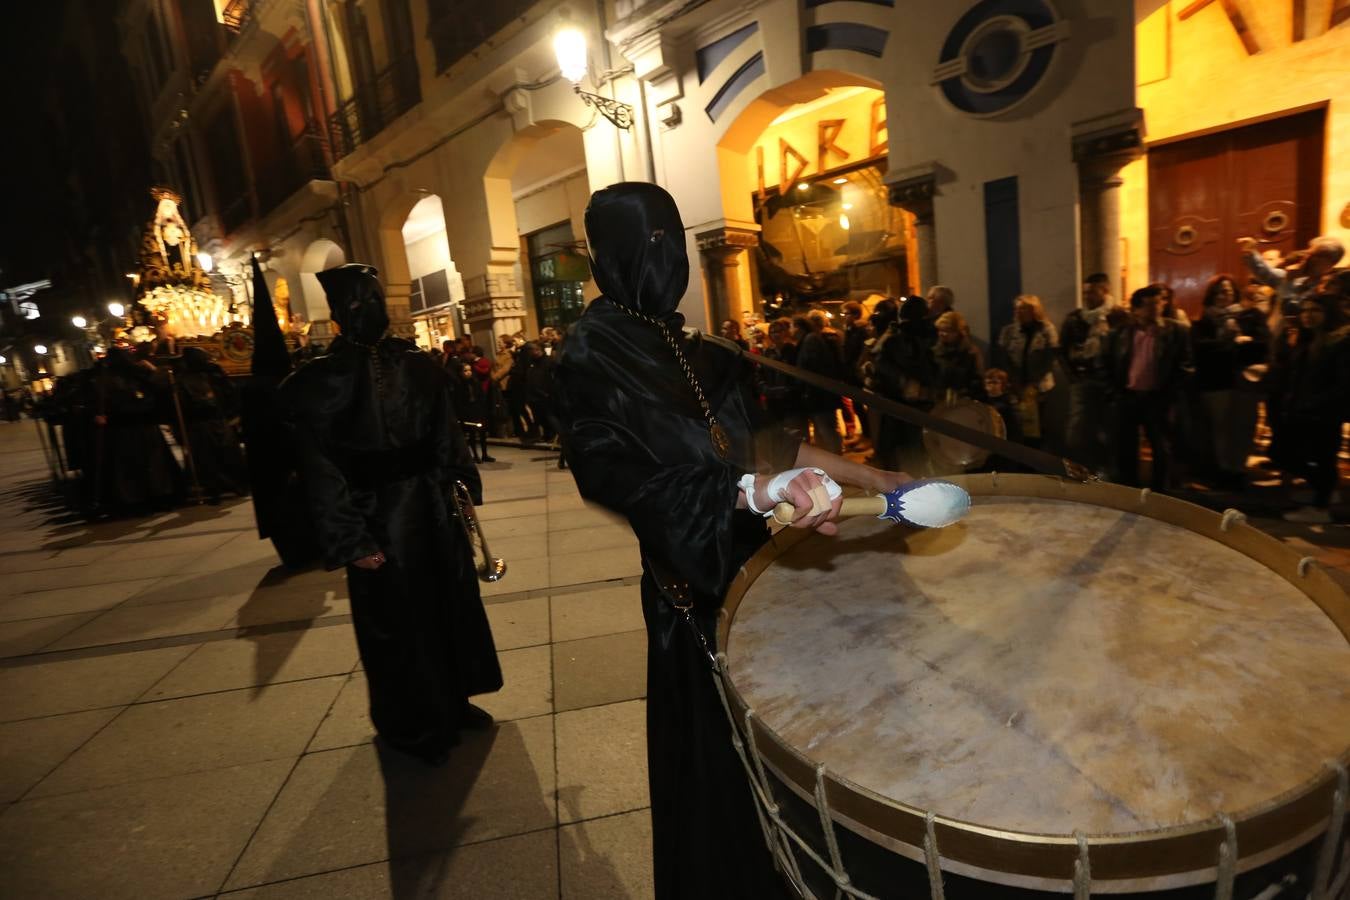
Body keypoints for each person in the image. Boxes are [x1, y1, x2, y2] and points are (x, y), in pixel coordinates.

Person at [554, 182, 906, 900]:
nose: (668, 258)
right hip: (694, 603)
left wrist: (874, 478)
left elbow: (772, 448)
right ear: (611, 255)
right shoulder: (589, 359)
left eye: (674, 238)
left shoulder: (701, 351)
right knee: (721, 789)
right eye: (649, 243)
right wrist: (751, 493)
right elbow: (623, 482)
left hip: (767, 584)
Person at [278, 263, 502, 766]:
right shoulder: (319, 383)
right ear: (337, 313)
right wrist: (351, 540)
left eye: (375, 300)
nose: (369, 312)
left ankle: (455, 698)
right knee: (396, 623)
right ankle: (409, 721)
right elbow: (320, 468)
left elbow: (446, 433)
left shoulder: (419, 366)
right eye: (357, 305)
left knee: (448, 607)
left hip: (431, 507)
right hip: (376, 518)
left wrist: (462, 489)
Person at [1104, 285, 1190, 490]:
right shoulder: (1119, 334)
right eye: (1149, 305)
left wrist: (1170, 394)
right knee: (1126, 447)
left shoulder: (1176, 331)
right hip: (1128, 397)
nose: (1156, 308)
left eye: (1159, 303)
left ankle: (1160, 492)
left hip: (1157, 398)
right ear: (1136, 309)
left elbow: (1186, 366)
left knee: (1161, 447)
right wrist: (1113, 392)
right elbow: (1106, 364)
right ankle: (1128, 489)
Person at [1271, 295, 1348, 523]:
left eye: (1315, 310)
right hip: (1302, 409)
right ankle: (1322, 489)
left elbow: (1342, 383)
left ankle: (1321, 505)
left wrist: (1315, 402)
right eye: (1305, 310)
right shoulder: (1306, 339)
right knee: (1280, 452)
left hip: (1324, 411)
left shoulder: (1340, 341)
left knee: (1324, 457)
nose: (1308, 315)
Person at [175, 347, 249, 501]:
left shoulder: (214, 373)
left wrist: (232, 413)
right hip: (201, 423)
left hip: (219, 419)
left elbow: (229, 392)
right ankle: (214, 486)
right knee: (208, 456)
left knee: (227, 453)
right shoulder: (185, 378)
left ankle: (235, 484)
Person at [1060, 273, 1115, 474]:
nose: (1087, 296)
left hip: (1109, 383)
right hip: (1082, 380)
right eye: (1085, 292)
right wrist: (1073, 378)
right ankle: (1081, 470)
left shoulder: (1115, 317)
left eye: (1092, 291)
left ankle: (1106, 472)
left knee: (1107, 429)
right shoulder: (1075, 318)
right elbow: (1063, 350)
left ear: (1105, 290)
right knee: (1077, 430)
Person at [995, 294, 1058, 447]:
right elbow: (1003, 357)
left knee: (1038, 427)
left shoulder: (1046, 330)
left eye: (1023, 309)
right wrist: (1013, 380)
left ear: (1034, 310)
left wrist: (1034, 383)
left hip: (1040, 387)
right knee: (1017, 427)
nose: (1018, 312)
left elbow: (1051, 358)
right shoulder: (1008, 331)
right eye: (1016, 309)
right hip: (1015, 386)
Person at [794, 308, 845, 452]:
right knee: (823, 429)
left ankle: (836, 462)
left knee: (826, 429)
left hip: (820, 393)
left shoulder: (812, 340)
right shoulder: (813, 339)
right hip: (821, 393)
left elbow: (813, 367)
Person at [932, 310, 984, 401]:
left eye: (947, 331)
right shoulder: (934, 352)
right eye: (941, 330)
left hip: (963, 402)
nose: (943, 334)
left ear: (958, 332)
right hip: (938, 401)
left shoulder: (970, 353)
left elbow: (977, 380)